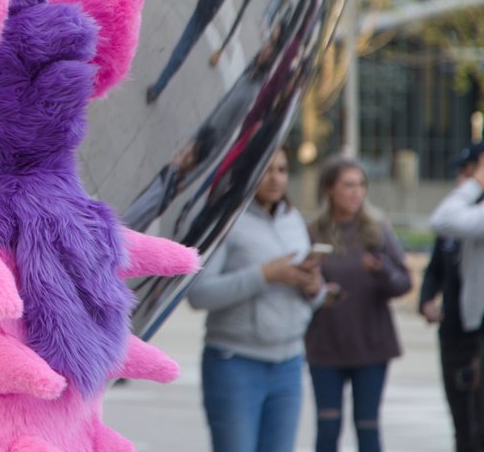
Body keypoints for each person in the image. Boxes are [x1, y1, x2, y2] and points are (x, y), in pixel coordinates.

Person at [187, 148, 324, 452]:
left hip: (289, 364)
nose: (275, 178)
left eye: (282, 170)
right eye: (266, 169)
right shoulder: (225, 220)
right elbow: (198, 294)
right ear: (248, 170)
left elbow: (313, 297)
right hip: (235, 362)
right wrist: (264, 275)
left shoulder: (292, 219)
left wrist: (314, 287)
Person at [306, 157, 412, 452]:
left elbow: (404, 284)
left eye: (361, 185)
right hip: (325, 345)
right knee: (327, 430)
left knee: (368, 428)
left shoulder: (376, 230)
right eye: (348, 185)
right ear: (329, 189)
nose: (357, 193)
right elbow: (299, 284)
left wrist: (381, 270)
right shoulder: (313, 232)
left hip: (371, 345)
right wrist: (317, 288)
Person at [424, 143, 484, 452]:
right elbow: (437, 266)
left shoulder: (470, 211)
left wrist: (477, 183)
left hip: (473, 336)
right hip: (459, 332)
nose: (464, 179)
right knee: (467, 430)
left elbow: (443, 218)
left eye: (469, 171)